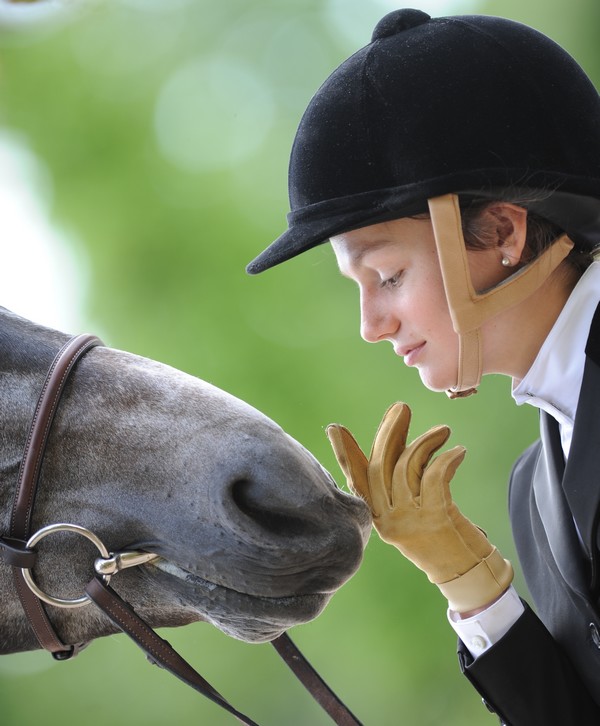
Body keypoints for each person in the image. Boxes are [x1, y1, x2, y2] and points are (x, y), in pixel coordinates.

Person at [246, 8, 600, 725]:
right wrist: (473, 586)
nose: (371, 327)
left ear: (502, 230)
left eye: (387, 277)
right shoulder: (535, 491)